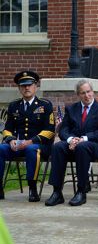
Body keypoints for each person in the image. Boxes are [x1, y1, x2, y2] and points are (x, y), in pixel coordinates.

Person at [45, 79, 98, 207]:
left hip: (96, 146)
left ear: (93, 91)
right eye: (83, 93)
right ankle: (57, 192)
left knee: (82, 147)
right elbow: (63, 130)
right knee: (58, 147)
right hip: (74, 144)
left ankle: (81, 191)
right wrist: (71, 139)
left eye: (88, 91)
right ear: (78, 95)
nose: (86, 95)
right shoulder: (71, 109)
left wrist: (83, 139)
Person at [0, 71, 55, 202]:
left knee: (31, 149)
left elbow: (50, 131)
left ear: (36, 86)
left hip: (40, 145)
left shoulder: (45, 105)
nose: (26, 88)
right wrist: (11, 140)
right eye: (23, 86)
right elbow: (7, 129)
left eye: (29, 85)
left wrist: (31, 141)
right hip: (18, 145)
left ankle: (32, 188)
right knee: (1, 149)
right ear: (19, 88)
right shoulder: (14, 105)